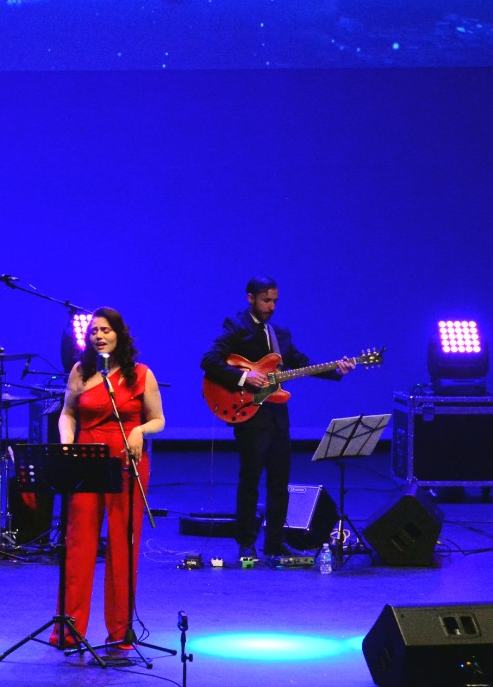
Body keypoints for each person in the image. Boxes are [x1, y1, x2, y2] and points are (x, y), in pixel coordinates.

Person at [201, 276, 354, 561]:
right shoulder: (236, 326)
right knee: (250, 482)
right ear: (250, 298)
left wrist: (336, 369)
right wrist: (245, 377)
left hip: (278, 418)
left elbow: (302, 364)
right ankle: (246, 543)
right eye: (265, 300)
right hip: (249, 415)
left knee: (280, 485)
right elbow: (209, 360)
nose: (271, 306)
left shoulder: (280, 333)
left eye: (274, 301)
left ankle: (274, 542)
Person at [55, 307, 164, 651]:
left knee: (122, 547)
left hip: (127, 462)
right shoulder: (81, 371)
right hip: (87, 461)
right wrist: (67, 444)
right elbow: (67, 413)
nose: (99, 336)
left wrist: (139, 430)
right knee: (79, 544)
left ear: (119, 334)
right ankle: (70, 629)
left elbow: (158, 419)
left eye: (105, 330)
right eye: (94, 331)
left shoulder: (141, 374)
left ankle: (120, 631)